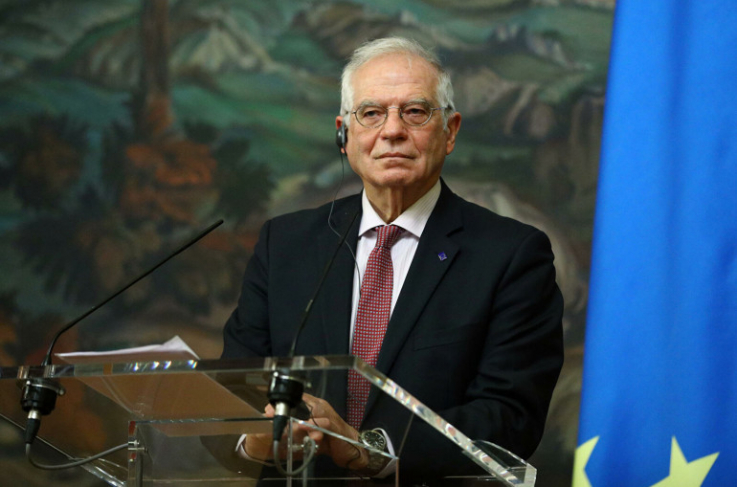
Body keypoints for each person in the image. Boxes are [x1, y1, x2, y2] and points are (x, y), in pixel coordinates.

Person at [219, 37, 564, 483]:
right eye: (371, 113)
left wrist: (368, 448)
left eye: (415, 112)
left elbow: (509, 418)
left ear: (450, 131)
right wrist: (255, 439)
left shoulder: (511, 255)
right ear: (344, 134)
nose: (393, 130)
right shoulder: (284, 244)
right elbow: (230, 392)